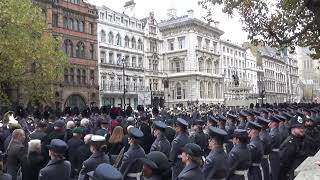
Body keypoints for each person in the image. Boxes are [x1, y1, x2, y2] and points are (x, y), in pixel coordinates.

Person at [279, 115, 306, 180]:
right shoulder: (290, 144)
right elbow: (283, 166)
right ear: (292, 129)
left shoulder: (299, 139)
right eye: (299, 127)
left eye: (303, 127)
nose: (302, 129)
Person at [268, 115, 281, 180]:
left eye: (270, 122)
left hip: (273, 155)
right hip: (275, 155)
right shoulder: (275, 131)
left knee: (274, 174)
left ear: (274, 123)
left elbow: (268, 146)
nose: (269, 123)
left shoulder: (273, 133)